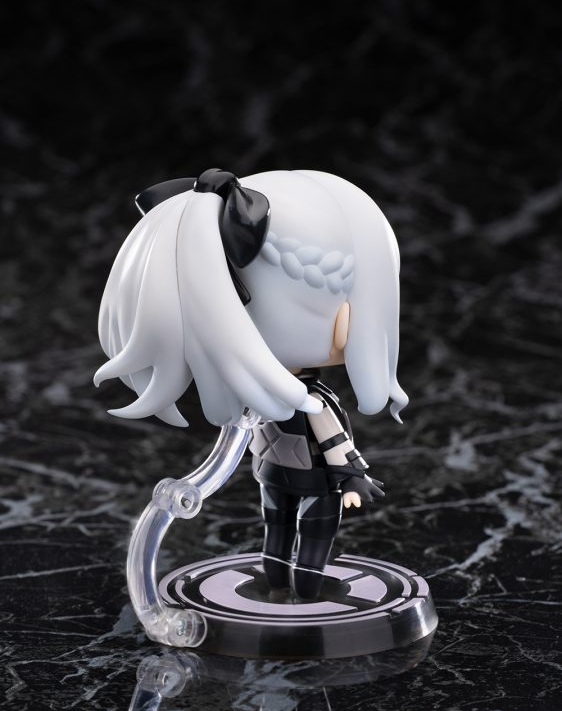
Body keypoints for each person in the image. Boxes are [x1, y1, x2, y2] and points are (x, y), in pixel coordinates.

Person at [95, 168, 408, 599]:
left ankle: (280, 579)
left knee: (277, 527)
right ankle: (304, 588)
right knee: (311, 533)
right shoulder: (311, 400)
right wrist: (354, 477)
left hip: (271, 475)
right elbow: (335, 441)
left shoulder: (266, 398)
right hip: (311, 482)